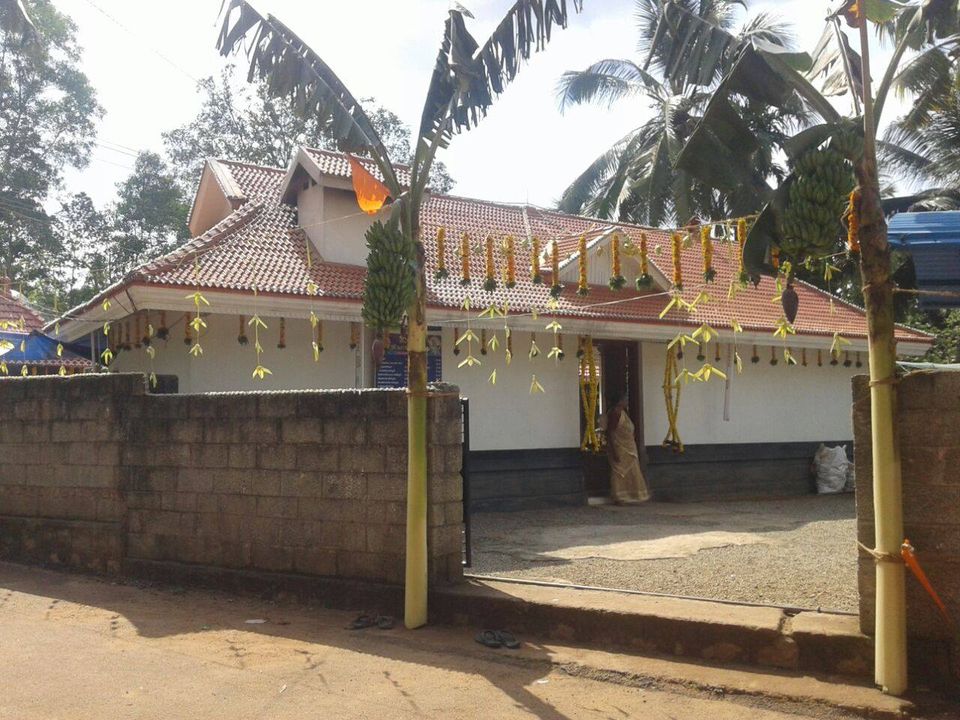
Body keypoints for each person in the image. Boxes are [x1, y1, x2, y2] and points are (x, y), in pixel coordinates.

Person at [605, 392, 651, 505]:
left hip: (629, 447)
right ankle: (619, 496)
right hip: (620, 447)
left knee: (632, 471)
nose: (626, 401)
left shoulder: (623, 413)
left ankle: (632, 495)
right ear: (620, 401)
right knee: (620, 472)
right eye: (625, 399)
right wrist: (614, 450)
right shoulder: (615, 414)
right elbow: (610, 432)